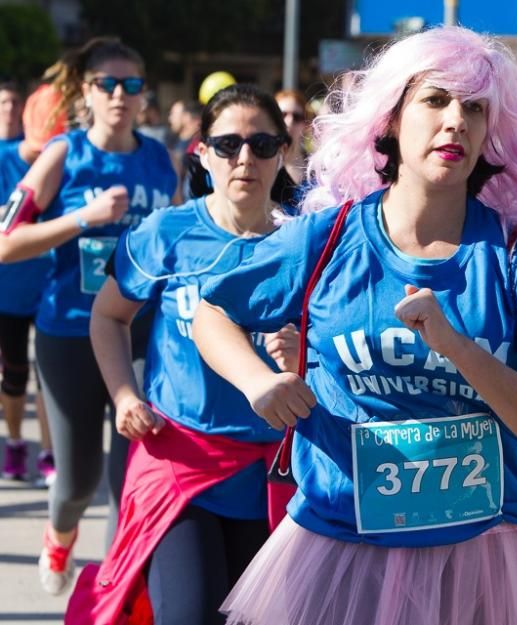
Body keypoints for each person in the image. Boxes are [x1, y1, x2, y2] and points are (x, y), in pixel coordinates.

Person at [192, 26, 517, 625]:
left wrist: (457, 348)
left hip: (486, 555)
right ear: (389, 120)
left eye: (474, 107)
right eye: (435, 100)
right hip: (341, 546)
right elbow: (213, 310)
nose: (455, 121)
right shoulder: (326, 240)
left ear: (491, 133)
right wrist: (258, 382)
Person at [67, 84, 296, 625]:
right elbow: (109, 316)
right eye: (228, 145)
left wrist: (300, 352)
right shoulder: (166, 233)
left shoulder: (305, 242)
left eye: (263, 145)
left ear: (283, 153)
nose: (245, 159)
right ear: (201, 152)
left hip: (271, 470)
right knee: (188, 613)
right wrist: (124, 395)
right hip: (179, 459)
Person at [0, 37, 177, 594]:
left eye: (131, 85)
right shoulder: (63, 154)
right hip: (70, 332)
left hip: (143, 334)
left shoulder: (158, 157)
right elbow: (7, 242)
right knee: (76, 482)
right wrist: (83, 217)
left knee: (129, 480)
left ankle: (113, 591)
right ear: (86, 91)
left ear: (144, 94)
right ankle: (59, 535)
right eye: (107, 84)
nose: (120, 95)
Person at [0, 82, 56, 486]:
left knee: (50, 380)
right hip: (9, 290)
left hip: (51, 288)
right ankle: (17, 443)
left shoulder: (60, 161)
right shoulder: (4, 161)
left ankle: (51, 455)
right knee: (14, 374)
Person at [274, 89, 309, 185]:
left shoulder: (315, 168)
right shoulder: (262, 162)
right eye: (283, 115)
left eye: (297, 117)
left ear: (305, 125)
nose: (289, 122)